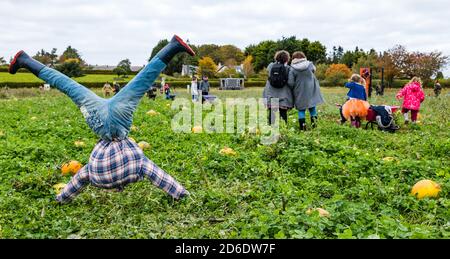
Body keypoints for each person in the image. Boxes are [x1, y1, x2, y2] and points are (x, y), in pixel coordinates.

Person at [8, 34, 195, 203]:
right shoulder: (94, 169)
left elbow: (161, 177)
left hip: (119, 114)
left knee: (143, 79)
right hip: (98, 115)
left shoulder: (137, 162)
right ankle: (25, 60)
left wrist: (181, 194)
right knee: (65, 83)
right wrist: (61, 199)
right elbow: (76, 183)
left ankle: (172, 46)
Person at [288, 51, 324, 130]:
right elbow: (314, 70)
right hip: (311, 89)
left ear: (293, 58)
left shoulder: (292, 68)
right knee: (312, 108)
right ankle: (314, 126)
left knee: (301, 110)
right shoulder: (310, 65)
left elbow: (290, 82)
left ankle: (303, 128)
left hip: (299, 90)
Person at [263, 50, 294, 125]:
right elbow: (291, 82)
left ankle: (271, 128)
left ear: (276, 57)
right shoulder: (289, 69)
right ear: (287, 59)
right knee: (283, 114)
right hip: (284, 95)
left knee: (272, 113)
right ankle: (284, 130)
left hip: (272, 94)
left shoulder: (271, 66)